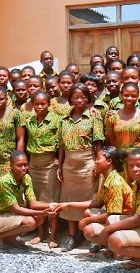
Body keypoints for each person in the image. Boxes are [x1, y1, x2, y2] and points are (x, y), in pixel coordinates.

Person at [54, 146, 133, 254]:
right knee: (88, 212)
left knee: (88, 231)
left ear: (109, 161)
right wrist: (68, 205)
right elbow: (97, 202)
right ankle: (111, 245)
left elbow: (114, 214)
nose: (95, 162)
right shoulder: (108, 177)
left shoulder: (115, 183)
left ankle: (117, 248)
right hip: (116, 217)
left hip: (124, 220)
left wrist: (87, 221)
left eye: (98, 159)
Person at [57, 83, 105, 251]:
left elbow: (98, 142)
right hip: (69, 164)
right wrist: (60, 165)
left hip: (87, 161)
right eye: (75, 97)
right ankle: (72, 236)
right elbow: (61, 145)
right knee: (69, 199)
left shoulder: (94, 116)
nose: (79, 100)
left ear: (88, 98)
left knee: (90, 200)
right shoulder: (63, 119)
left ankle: (93, 236)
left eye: (83, 97)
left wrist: (98, 163)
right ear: (70, 99)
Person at [0, 151, 56, 250]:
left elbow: (33, 203)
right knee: (30, 222)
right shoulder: (5, 182)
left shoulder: (26, 178)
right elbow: (17, 209)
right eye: (19, 165)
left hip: (8, 215)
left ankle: (11, 238)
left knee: (39, 218)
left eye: (25, 165)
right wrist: (43, 212)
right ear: (11, 166)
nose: (23, 168)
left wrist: (53, 205)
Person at [26, 92, 62, 248]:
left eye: (43, 104)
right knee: (37, 201)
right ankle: (41, 234)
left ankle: (53, 236)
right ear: (33, 105)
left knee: (52, 201)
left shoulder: (57, 120)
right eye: (37, 104)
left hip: (49, 163)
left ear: (49, 104)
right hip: (34, 164)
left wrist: (59, 164)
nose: (40, 107)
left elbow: (61, 144)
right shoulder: (29, 121)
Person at [105, 83, 140, 153]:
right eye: (126, 95)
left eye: (133, 96)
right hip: (119, 158)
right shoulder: (112, 118)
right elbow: (110, 141)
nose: (129, 98)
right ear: (121, 95)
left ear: (138, 96)